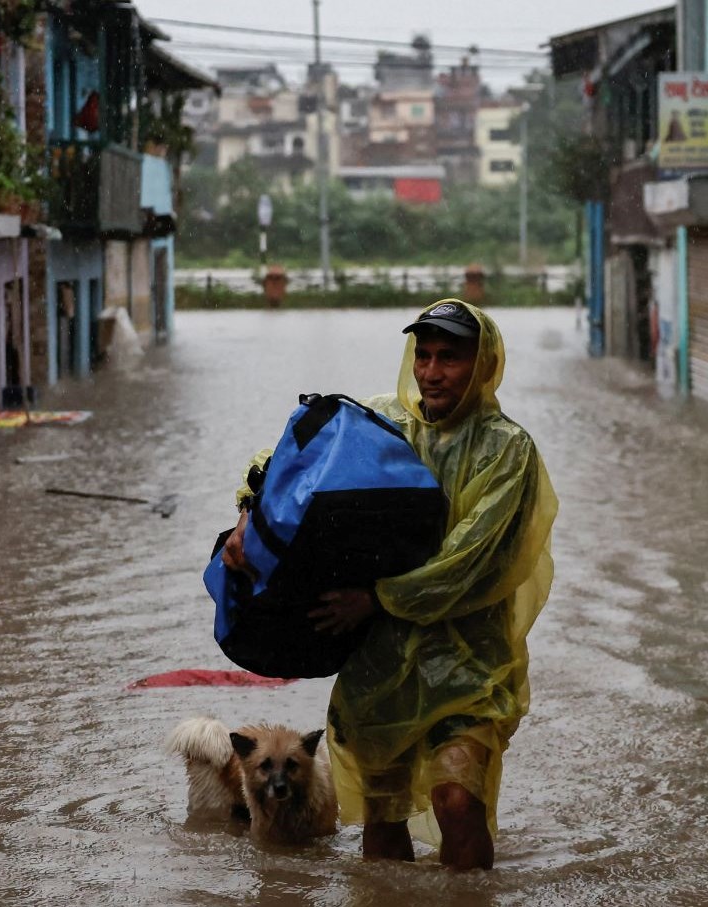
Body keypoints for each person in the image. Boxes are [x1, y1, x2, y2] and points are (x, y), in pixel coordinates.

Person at [223, 300, 558, 870]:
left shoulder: (507, 450)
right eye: (423, 356)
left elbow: (469, 563)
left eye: (449, 358)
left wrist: (376, 597)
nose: (431, 372)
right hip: (378, 665)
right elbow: (285, 459)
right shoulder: (383, 422)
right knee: (381, 821)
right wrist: (249, 513)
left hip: (467, 665)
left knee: (457, 801)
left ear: (485, 365)